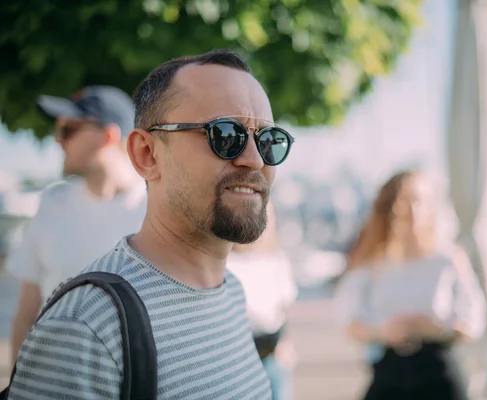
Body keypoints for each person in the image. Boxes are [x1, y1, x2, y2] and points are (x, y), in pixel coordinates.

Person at [6, 50, 295, 399]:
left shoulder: (231, 293)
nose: (253, 159)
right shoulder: (84, 326)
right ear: (147, 154)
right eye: (225, 135)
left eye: (268, 140)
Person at [6, 85, 146, 364]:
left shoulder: (157, 210)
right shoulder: (50, 205)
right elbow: (26, 312)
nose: (58, 140)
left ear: (107, 136)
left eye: (68, 130)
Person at [335, 170, 487, 400]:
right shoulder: (372, 262)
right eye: (403, 201)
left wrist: (433, 327)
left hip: (439, 372)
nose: (411, 210)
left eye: (418, 200)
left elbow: (474, 321)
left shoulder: (449, 259)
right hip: (390, 370)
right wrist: (383, 331)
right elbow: (349, 321)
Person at [228, 201, 298, 400]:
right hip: (239, 352)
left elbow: (285, 308)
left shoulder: (277, 260)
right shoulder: (226, 262)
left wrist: (286, 342)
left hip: (273, 351)